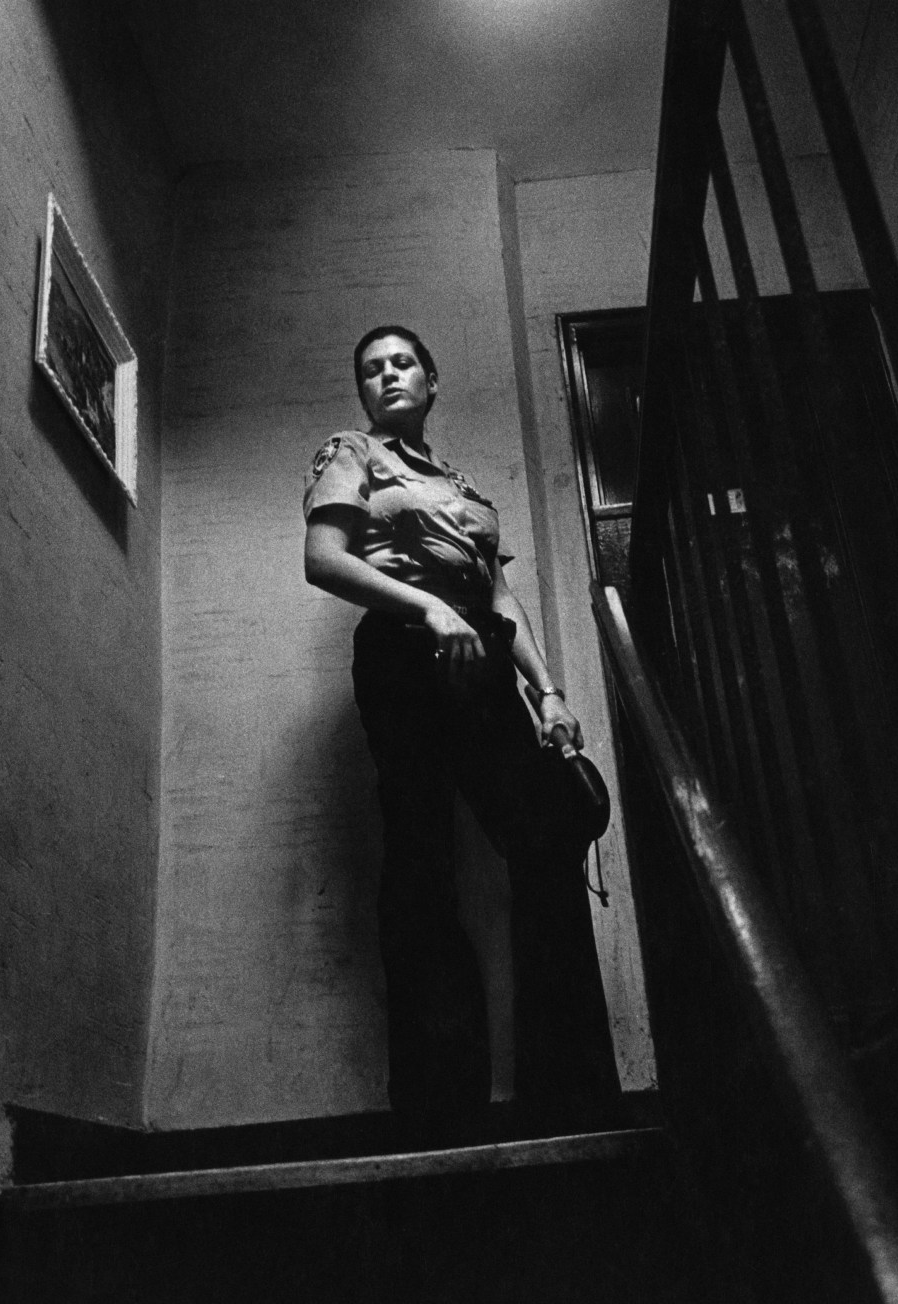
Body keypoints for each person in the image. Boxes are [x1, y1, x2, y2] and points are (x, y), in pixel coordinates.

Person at [303, 325, 621, 1138]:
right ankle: (440, 1107)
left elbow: (501, 599)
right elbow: (324, 559)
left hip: (482, 658)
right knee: (421, 858)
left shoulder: (464, 486)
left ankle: (569, 1086)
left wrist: (548, 693)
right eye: (371, 370)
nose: (387, 377)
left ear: (432, 380)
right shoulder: (351, 453)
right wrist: (427, 606)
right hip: (404, 659)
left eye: (402, 363)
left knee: (547, 835)